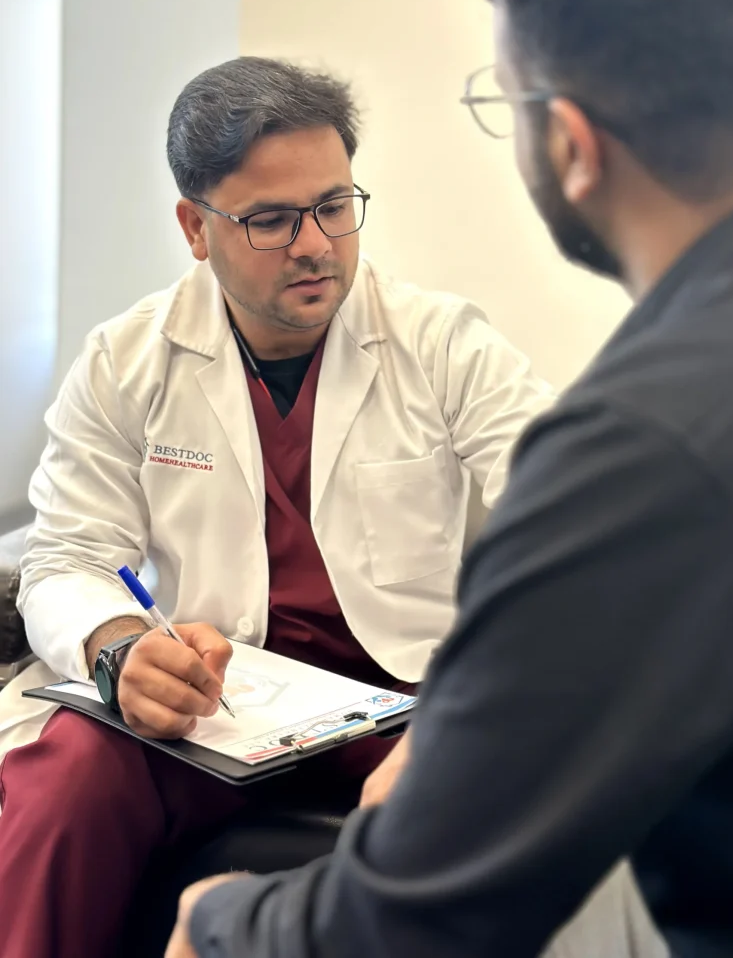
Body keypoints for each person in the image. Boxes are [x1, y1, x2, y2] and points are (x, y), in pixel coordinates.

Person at [165, 0, 733, 957]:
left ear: (566, 139)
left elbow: (410, 916)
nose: (310, 242)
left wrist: (214, 924)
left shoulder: (644, 444)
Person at [0, 56, 552, 958]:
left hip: (402, 705)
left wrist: (464, 714)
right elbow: (65, 557)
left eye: (335, 206)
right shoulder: (126, 359)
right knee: (66, 776)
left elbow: (564, 528)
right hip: (220, 706)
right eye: (271, 220)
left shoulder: (445, 345)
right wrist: (120, 650)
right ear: (195, 226)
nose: (315, 244)